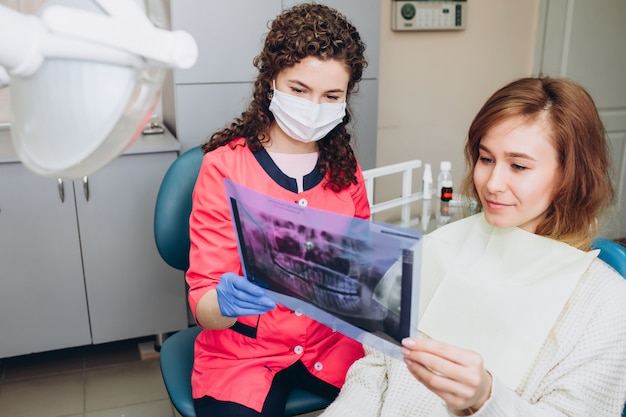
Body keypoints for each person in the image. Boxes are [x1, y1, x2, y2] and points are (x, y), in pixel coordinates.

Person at [320, 76, 626, 417]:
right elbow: (374, 369)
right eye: (486, 159)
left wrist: (485, 399)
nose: (493, 184)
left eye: (519, 166)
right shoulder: (433, 251)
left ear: (571, 174)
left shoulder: (604, 302)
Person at [186, 3, 370, 416]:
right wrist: (224, 303)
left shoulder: (345, 168)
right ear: (271, 81)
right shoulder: (223, 168)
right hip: (243, 354)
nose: (314, 106)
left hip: (332, 345)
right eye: (299, 90)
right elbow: (203, 304)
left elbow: (361, 269)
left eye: (331, 96)